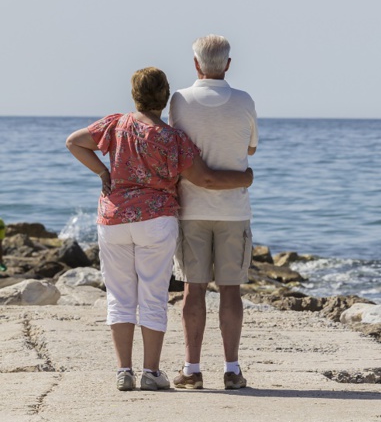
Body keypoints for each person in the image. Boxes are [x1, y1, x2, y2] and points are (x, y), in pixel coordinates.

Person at [66, 67, 253, 392]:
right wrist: (245, 178)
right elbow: (205, 179)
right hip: (156, 219)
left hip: (113, 220)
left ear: (134, 95)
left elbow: (74, 142)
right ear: (165, 98)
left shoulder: (115, 124)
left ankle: (124, 371)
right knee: (152, 296)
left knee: (120, 297)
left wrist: (103, 173)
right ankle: (151, 372)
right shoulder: (173, 138)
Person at [169, 35, 258, 390]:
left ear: (195, 64)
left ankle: (192, 370)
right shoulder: (244, 100)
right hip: (233, 210)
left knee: (193, 289)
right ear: (228, 64)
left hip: (190, 209)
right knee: (231, 291)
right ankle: (232, 370)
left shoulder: (179, 100)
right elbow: (251, 146)